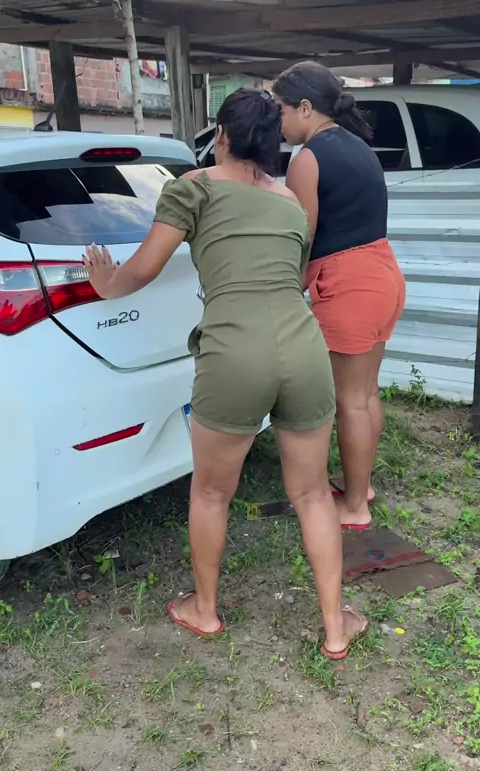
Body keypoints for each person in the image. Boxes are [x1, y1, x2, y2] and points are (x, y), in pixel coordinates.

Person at [84, 88, 367, 660]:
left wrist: (105, 284)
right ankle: (336, 628)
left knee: (212, 491)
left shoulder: (193, 187)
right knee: (313, 493)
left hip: (235, 351)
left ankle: (205, 610)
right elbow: (290, 275)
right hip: (303, 346)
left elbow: (142, 270)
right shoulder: (290, 201)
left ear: (221, 135)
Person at [273, 62, 406, 532]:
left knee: (349, 400)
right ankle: (360, 486)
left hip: (349, 284)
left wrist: (284, 289)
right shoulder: (358, 147)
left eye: (281, 109)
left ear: (305, 107)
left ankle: (354, 507)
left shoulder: (307, 159)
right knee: (365, 393)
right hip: (383, 274)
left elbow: (302, 238)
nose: (278, 121)